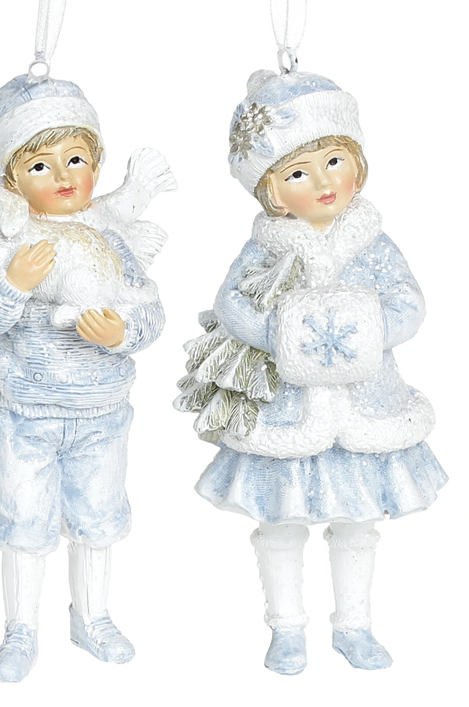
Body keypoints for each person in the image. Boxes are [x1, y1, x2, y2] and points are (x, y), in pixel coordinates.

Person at [179, 69, 447, 675]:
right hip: (289, 411)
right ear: (274, 192)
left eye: (333, 162)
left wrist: (369, 332)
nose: (323, 182)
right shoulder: (267, 248)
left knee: (357, 524)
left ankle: (354, 624)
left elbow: (408, 302)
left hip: (365, 407)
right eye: (299, 173)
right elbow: (234, 304)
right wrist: (281, 335)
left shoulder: (373, 243)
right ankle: (286, 628)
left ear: (357, 164)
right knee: (281, 522)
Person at [0, 73, 174, 682]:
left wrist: (122, 333)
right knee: (22, 522)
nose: (62, 175)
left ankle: (92, 616)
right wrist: (13, 285)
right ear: (9, 186)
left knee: (97, 518)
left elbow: (150, 310)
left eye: (75, 159)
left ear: (96, 166)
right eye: (39, 166)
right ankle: (20, 627)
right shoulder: (0, 245)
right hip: (24, 412)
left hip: (100, 411)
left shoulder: (109, 237)